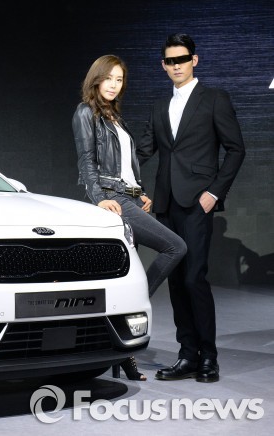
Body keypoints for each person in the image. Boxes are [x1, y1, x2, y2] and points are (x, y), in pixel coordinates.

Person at [136, 34, 246, 383]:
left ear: (194, 60)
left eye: (182, 59)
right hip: (166, 202)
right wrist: (115, 177)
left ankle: (209, 356)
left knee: (194, 277)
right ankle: (187, 355)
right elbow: (143, 152)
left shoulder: (214, 98)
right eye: (170, 61)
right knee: (176, 281)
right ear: (163, 65)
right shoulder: (159, 106)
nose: (177, 66)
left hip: (198, 201)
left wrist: (214, 192)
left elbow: (236, 149)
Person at [72, 54, 187, 381]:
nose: (113, 85)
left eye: (119, 79)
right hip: (113, 199)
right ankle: (133, 305)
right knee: (175, 247)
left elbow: (125, 165)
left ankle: (124, 355)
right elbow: (86, 162)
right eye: (108, 78)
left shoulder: (114, 115)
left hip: (129, 196)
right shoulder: (86, 112)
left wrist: (140, 191)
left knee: (127, 272)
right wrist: (100, 198)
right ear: (96, 79)